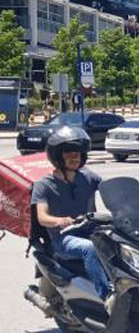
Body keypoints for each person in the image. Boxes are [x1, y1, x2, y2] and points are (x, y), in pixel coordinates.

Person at [31, 126, 111, 301]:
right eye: (69, 152)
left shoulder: (88, 177)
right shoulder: (44, 185)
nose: (76, 157)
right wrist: (60, 221)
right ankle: (107, 297)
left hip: (90, 231)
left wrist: (136, 201)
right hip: (63, 238)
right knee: (89, 249)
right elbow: (42, 217)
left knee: (119, 242)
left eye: (79, 153)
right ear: (57, 156)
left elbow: (111, 191)